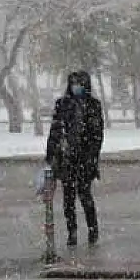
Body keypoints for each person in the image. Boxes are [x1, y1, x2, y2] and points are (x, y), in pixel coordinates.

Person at [45, 70, 105, 247]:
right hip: (66, 159)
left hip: (85, 159)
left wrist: (92, 157)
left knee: (85, 195)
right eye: (73, 83)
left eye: (79, 83)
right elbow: (55, 131)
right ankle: (72, 232)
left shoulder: (93, 105)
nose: (76, 86)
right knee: (68, 198)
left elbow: (97, 135)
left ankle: (93, 229)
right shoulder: (62, 104)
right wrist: (50, 155)